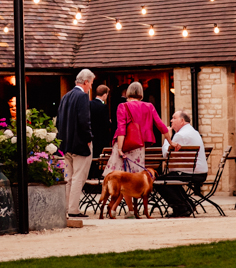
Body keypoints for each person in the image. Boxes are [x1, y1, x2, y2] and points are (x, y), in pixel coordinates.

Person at [103, 81, 171, 176]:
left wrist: (119, 149)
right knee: (136, 175)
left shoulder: (123, 106)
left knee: (117, 176)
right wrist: (170, 142)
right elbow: (161, 125)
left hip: (124, 144)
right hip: (139, 145)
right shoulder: (149, 106)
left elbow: (121, 129)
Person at [156, 110, 209, 218]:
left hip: (190, 173)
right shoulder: (193, 132)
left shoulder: (180, 135)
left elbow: (166, 154)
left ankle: (182, 208)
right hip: (199, 172)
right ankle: (187, 205)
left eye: (174, 118)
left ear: (182, 121)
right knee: (169, 179)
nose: (171, 120)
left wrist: (167, 138)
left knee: (159, 182)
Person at [57, 68, 95, 218]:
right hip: (80, 144)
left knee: (68, 178)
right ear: (85, 82)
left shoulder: (65, 96)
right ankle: (73, 209)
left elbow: (59, 121)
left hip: (66, 144)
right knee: (79, 177)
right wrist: (88, 138)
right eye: (91, 83)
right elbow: (84, 120)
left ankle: (65, 209)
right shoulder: (83, 96)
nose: (90, 86)